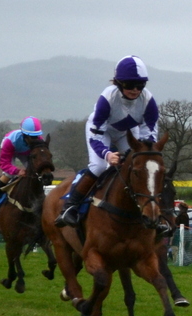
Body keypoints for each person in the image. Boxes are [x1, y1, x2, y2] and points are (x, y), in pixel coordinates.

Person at [55, 55, 160, 228]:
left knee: (141, 166)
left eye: (140, 85)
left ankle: (154, 211)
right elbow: (96, 134)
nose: (135, 90)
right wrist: (107, 154)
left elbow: (150, 132)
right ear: (119, 83)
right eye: (129, 85)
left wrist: (144, 152)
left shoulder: (148, 101)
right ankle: (70, 206)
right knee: (100, 167)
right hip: (101, 131)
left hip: (127, 132)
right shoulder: (107, 98)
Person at [0, 116, 44, 211]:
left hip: (26, 153)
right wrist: (17, 171)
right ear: (24, 135)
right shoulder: (9, 141)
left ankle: (39, 196)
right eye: (32, 137)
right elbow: (4, 163)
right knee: (8, 174)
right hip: (11, 150)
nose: (34, 140)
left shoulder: (39, 139)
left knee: (35, 171)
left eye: (36, 136)